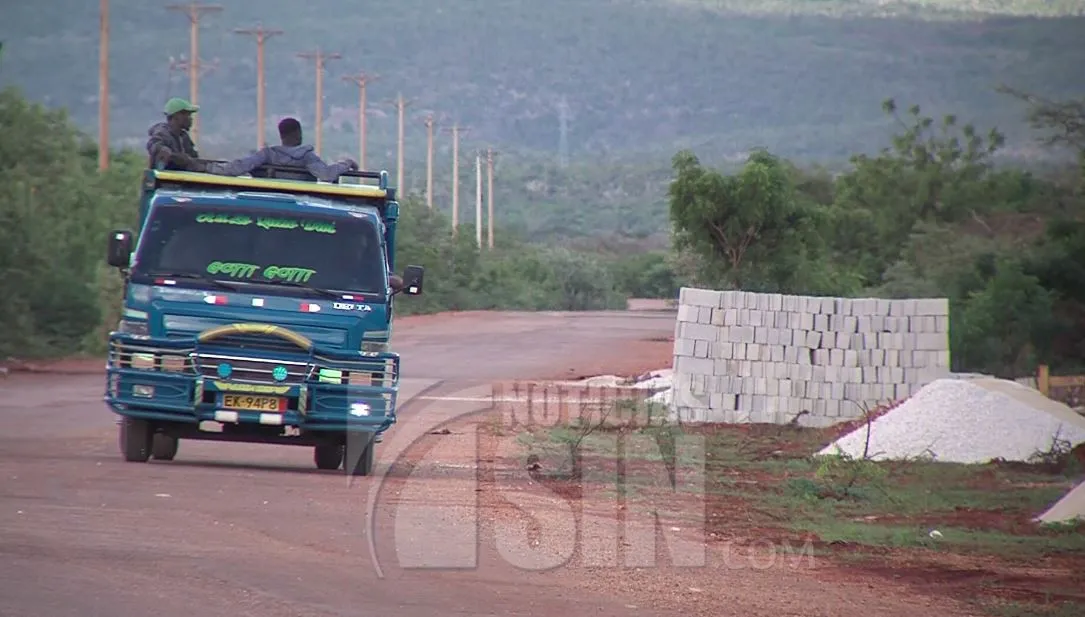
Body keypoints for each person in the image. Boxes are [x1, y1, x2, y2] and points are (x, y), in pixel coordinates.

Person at [208, 117, 358, 182]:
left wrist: (208, 168)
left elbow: (239, 167)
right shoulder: (307, 156)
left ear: (281, 135)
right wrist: (347, 163)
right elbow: (326, 175)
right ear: (299, 133)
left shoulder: (268, 154)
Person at [146, 97, 203, 171]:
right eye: (188, 115)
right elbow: (154, 144)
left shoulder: (184, 137)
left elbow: (193, 159)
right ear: (176, 116)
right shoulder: (162, 133)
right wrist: (164, 150)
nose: (191, 119)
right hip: (163, 181)